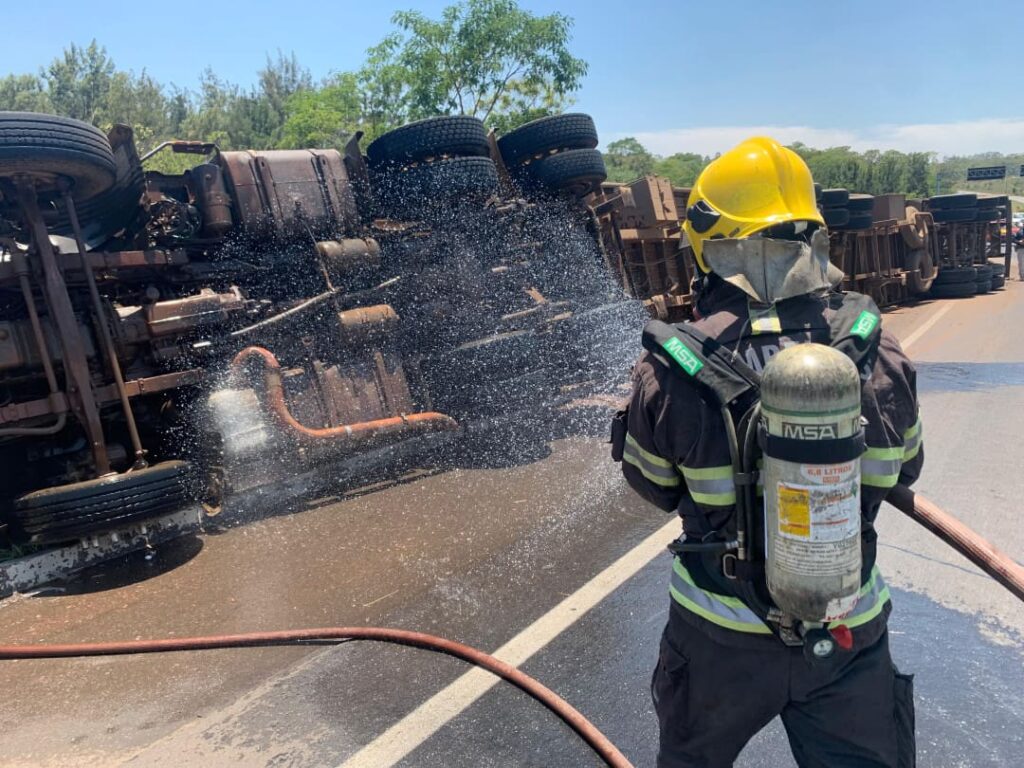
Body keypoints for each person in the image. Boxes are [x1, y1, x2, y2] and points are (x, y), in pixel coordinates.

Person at [612, 137, 923, 768]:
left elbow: (655, 487)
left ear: (709, 246)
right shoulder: (875, 350)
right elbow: (903, 470)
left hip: (718, 634)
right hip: (843, 632)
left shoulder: (670, 368)